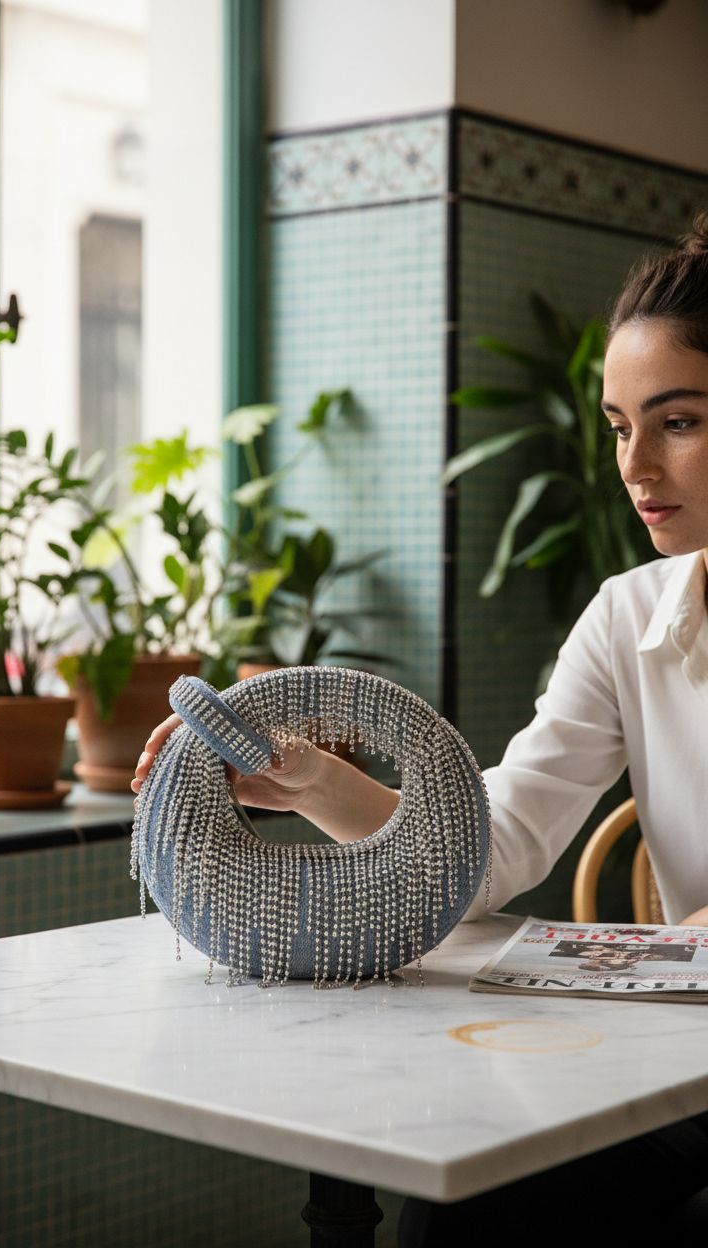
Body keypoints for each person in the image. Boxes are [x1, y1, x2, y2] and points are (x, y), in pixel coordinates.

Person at [131, 216, 708, 1233]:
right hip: (685, 1065)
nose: (634, 466)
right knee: (460, 1211)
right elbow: (487, 841)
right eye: (620, 427)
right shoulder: (628, 618)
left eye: (680, 422)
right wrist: (309, 779)